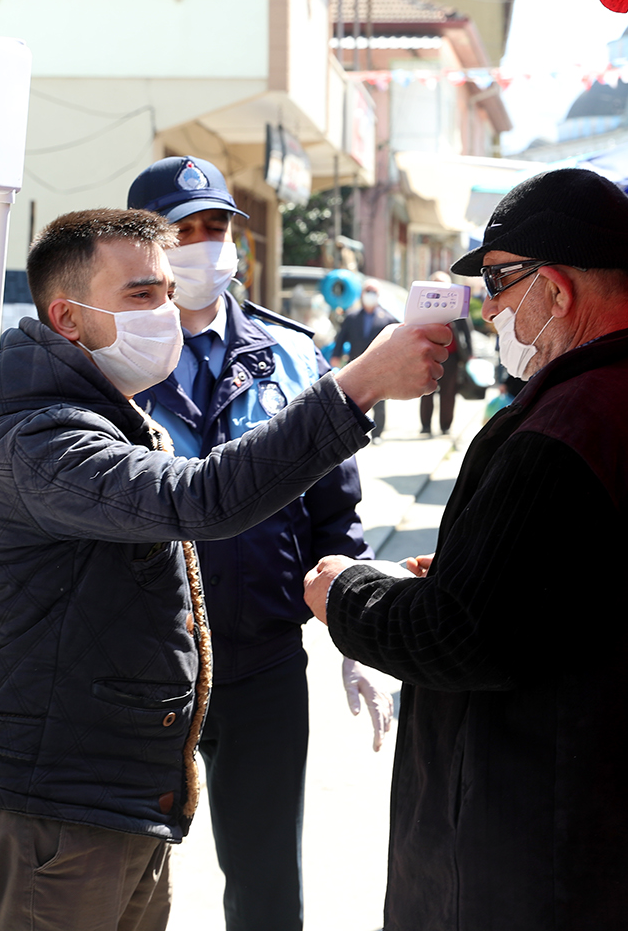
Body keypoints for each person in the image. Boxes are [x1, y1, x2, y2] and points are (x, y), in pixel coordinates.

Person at [302, 169, 628, 930]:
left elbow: (461, 639)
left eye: (496, 282)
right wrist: (463, 572)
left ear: (554, 288)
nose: (486, 310)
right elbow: (595, 592)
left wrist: (344, 594)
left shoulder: (571, 426)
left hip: (542, 849)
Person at [0, 208, 450, 931]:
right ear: (67, 317)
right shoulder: (42, 433)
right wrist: (359, 385)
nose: (167, 313)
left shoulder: (111, 406)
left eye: (166, 291)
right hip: (62, 807)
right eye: (141, 296)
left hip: (128, 793)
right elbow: (203, 499)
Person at [126, 157, 389, 931]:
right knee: (120, 883)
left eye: (217, 229)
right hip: (142, 669)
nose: (205, 246)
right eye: (185, 231)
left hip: (264, 665)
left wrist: (355, 626)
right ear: (147, 244)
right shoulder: (112, 358)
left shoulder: (294, 355)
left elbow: (334, 510)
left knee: (268, 887)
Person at [331, 278, 396, 440]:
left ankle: (377, 433)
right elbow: (341, 338)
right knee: (353, 400)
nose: (370, 295)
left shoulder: (387, 319)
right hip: (356, 364)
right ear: (362, 294)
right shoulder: (352, 317)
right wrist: (335, 356)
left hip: (380, 367)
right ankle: (354, 433)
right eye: (368, 291)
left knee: (379, 401)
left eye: (373, 292)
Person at [419, 270, 472, 436]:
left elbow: (466, 330)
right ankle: (426, 425)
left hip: (452, 356)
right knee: (426, 391)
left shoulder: (456, 304)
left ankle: (445, 426)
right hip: (429, 356)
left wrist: (470, 353)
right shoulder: (424, 304)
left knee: (449, 393)